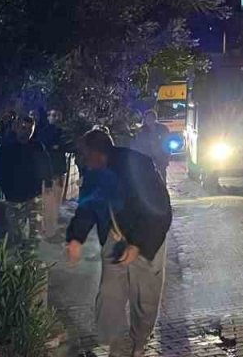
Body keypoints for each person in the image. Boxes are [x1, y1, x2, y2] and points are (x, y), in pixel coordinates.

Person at [66, 128, 172, 357]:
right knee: (109, 294)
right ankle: (116, 343)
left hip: (147, 240)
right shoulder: (95, 173)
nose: (83, 161)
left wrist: (137, 244)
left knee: (145, 299)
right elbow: (87, 208)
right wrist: (76, 237)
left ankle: (139, 341)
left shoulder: (138, 167)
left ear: (97, 153)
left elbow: (161, 211)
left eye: (85, 155)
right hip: (114, 240)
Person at [0, 113, 51, 251]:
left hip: (33, 196)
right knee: (15, 231)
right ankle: (18, 260)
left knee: (35, 233)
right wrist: (7, 189)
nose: (26, 132)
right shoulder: (6, 148)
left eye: (30, 129)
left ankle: (30, 260)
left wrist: (46, 184)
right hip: (14, 197)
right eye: (23, 128)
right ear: (17, 128)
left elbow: (46, 166)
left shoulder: (37, 147)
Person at [37, 108, 73, 240]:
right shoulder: (46, 132)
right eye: (52, 115)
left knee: (55, 204)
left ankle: (51, 230)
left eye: (57, 115)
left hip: (59, 172)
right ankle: (48, 232)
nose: (55, 117)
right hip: (50, 174)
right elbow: (46, 149)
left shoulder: (61, 132)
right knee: (49, 204)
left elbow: (68, 146)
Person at [131, 110, 171, 182]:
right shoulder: (142, 130)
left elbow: (167, 142)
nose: (149, 120)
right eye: (147, 118)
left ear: (154, 118)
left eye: (151, 118)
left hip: (161, 156)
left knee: (162, 174)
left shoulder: (162, 128)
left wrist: (167, 155)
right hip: (147, 156)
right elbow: (138, 143)